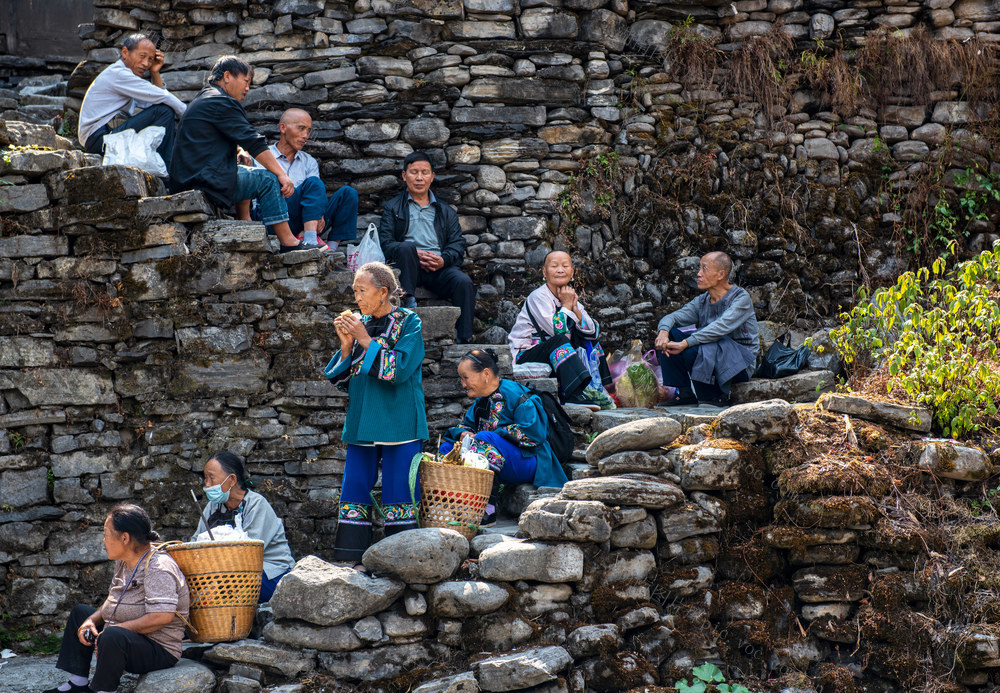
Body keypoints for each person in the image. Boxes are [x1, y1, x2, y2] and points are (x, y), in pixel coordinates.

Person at [323, 261, 428, 563]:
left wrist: (364, 340)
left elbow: (399, 369)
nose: (357, 298)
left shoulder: (410, 323)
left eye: (363, 291)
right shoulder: (360, 325)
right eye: (354, 291)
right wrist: (346, 346)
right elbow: (346, 382)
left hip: (400, 421)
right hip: (362, 419)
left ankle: (402, 562)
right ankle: (350, 558)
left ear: (383, 292)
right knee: (355, 488)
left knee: (399, 493)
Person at [168, 55, 319, 253]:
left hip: (189, 177)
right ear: (228, 76)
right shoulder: (220, 101)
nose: (248, 88)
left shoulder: (205, 98)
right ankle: (288, 242)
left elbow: (217, 139)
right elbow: (253, 141)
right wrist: (281, 174)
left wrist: (238, 151)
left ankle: (245, 220)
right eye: (246, 81)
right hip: (202, 179)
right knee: (268, 178)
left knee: (245, 168)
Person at [44, 504, 189, 693]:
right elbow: (113, 600)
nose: (103, 540)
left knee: (112, 635)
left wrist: (115, 629)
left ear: (125, 538)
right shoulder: (124, 562)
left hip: (158, 649)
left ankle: (103, 689)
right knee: (81, 613)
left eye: (106, 534)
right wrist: (91, 621)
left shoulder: (158, 567)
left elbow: (162, 616)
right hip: (129, 637)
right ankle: (77, 683)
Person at [441, 348, 568, 524]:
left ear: (485, 373)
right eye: (461, 378)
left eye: (466, 377)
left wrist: (494, 434)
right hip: (501, 461)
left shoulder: (517, 395)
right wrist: (462, 433)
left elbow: (534, 435)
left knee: (485, 438)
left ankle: (487, 509)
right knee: (448, 448)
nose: (463, 384)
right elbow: (464, 425)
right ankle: (452, 505)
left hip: (531, 460)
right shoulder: (481, 401)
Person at [377, 152, 476, 343]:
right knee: (406, 248)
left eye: (425, 172)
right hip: (407, 266)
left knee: (463, 282)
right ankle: (409, 302)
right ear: (404, 176)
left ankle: (465, 339)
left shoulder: (445, 210)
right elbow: (387, 243)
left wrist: (443, 260)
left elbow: (457, 244)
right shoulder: (393, 207)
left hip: (438, 267)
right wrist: (414, 252)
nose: (419, 177)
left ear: (432, 176)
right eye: (414, 172)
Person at [235, 108, 358, 252]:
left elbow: (314, 195)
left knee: (348, 193)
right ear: (283, 128)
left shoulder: (309, 161)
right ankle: (311, 243)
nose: (305, 136)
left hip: (303, 218)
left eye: (308, 130)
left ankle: (330, 249)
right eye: (301, 129)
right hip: (269, 218)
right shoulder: (262, 156)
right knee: (313, 183)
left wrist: (318, 214)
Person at [508, 250, 615, 408]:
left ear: (572, 272)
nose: (560, 270)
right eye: (554, 266)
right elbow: (557, 331)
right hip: (527, 354)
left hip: (552, 352)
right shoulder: (538, 296)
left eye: (565, 266)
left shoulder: (567, 295)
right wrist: (566, 305)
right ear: (544, 272)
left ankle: (597, 389)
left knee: (591, 342)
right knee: (560, 340)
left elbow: (593, 330)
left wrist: (575, 309)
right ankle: (574, 394)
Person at [655, 251, 760, 406]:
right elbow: (673, 317)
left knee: (696, 349)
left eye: (704, 269)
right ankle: (685, 393)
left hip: (740, 363)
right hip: (711, 353)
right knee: (671, 335)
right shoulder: (702, 301)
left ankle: (715, 395)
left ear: (720, 274)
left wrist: (686, 343)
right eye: (699, 268)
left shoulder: (740, 298)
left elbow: (719, 328)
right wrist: (663, 333)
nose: (698, 274)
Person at [191, 450, 296, 603]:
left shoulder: (256, 505)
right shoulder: (213, 507)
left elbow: (248, 554)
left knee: (225, 592)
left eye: (211, 478)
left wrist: (216, 579)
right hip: (225, 575)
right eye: (205, 478)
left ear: (232, 480)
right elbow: (195, 542)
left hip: (268, 573)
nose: (207, 485)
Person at [78, 33, 186, 170]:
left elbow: (156, 101)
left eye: (151, 59)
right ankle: (166, 170)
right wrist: (189, 116)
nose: (146, 64)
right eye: (142, 56)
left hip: (101, 137)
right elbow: (163, 98)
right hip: (100, 139)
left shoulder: (126, 77)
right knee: (163, 112)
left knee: (163, 110)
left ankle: (163, 167)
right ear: (125, 52)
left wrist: (155, 73)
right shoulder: (119, 74)